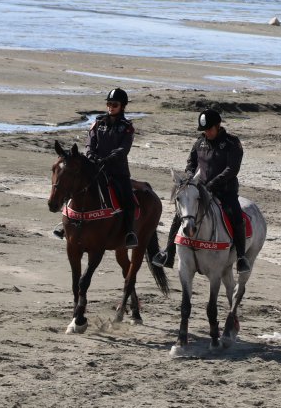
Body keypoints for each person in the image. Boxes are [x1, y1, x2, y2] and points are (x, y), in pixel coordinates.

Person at [153, 109, 250, 272]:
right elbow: (191, 164)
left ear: (218, 126)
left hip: (225, 190)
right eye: (204, 130)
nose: (207, 132)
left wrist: (212, 184)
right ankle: (168, 254)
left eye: (209, 129)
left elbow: (232, 169)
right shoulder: (199, 142)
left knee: (236, 215)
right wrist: (191, 179)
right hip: (200, 189)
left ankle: (241, 257)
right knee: (180, 215)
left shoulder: (232, 143)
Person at [53, 88, 138, 248]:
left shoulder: (127, 127)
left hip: (117, 171)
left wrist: (108, 159)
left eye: (115, 104)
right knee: (74, 186)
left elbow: (123, 149)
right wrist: (92, 156)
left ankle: (129, 233)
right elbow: (89, 143)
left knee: (127, 199)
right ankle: (64, 224)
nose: (111, 107)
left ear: (122, 106)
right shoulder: (98, 123)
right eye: (109, 104)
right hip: (96, 168)